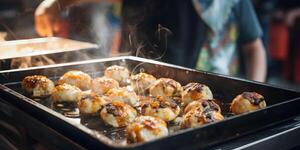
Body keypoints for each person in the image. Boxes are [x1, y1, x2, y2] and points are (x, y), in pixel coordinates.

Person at [35, 0, 267, 82]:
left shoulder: (232, 3)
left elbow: (254, 49)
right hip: (138, 87)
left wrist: (255, 92)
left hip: (212, 95)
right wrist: (54, 3)